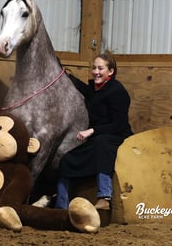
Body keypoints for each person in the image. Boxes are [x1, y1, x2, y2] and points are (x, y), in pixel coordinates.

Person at [54, 52, 133, 210]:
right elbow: (82, 88)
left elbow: (119, 125)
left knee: (101, 144)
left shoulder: (117, 91)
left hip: (115, 137)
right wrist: (61, 71)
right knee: (66, 160)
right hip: (97, 137)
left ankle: (104, 196)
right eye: (94, 68)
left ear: (110, 71)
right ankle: (61, 206)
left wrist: (92, 131)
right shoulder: (94, 89)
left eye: (100, 68)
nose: (96, 71)